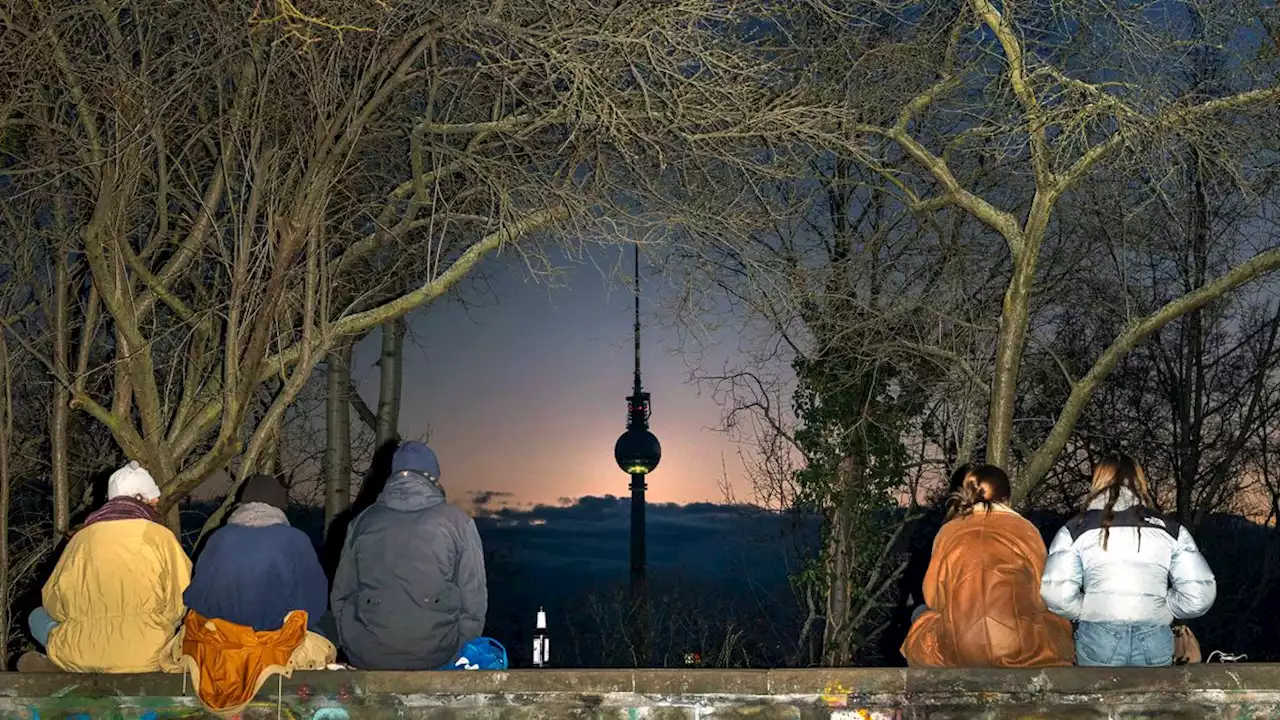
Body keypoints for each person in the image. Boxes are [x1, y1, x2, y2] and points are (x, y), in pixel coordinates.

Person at [177, 474, 335, 716]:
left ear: (243, 505)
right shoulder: (295, 541)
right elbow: (315, 604)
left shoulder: (218, 539)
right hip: (271, 652)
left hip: (217, 655)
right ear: (280, 508)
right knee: (328, 624)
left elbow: (194, 599)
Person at [1041, 452, 1216, 667]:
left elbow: (1056, 594)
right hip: (1154, 637)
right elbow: (1199, 595)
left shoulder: (1076, 528)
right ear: (1139, 481)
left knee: (1098, 700)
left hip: (1098, 638)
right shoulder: (1169, 529)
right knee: (1150, 701)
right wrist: (1164, 606)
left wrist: (1087, 607)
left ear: (1098, 481)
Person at [331, 441, 488, 670]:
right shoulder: (458, 523)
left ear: (393, 476)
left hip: (367, 654)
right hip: (437, 654)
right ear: (433, 477)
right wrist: (458, 652)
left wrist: (351, 644)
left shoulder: (362, 522)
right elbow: (474, 602)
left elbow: (340, 595)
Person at [901, 464, 1074, 667]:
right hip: (1022, 650)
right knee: (1058, 622)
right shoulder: (1027, 530)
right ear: (1006, 498)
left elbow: (934, 598)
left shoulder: (948, 533)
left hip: (958, 651)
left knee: (920, 613)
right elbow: (1042, 595)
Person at [28, 461, 191, 673]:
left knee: (36, 616)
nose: (157, 503)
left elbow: (53, 603)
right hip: (148, 653)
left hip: (80, 652)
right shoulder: (160, 538)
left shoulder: (80, 540)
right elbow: (181, 601)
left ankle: (61, 665)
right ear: (140, 498)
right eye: (153, 499)